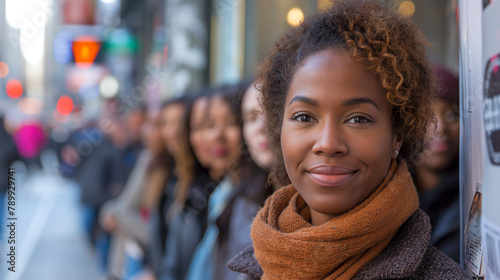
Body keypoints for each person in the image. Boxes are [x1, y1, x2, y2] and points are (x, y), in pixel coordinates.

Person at [228, 1, 468, 279]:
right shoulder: (261, 262)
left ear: (397, 137)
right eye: (305, 117)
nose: (328, 144)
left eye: (358, 119)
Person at [158, 90, 221, 280]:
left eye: (209, 125)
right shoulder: (185, 181)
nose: (210, 137)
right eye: (197, 127)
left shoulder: (225, 191)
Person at [412, 65, 460, 263]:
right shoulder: (385, 200)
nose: (440, 127)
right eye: (425, 115)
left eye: (452, 115)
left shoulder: (477, 200)